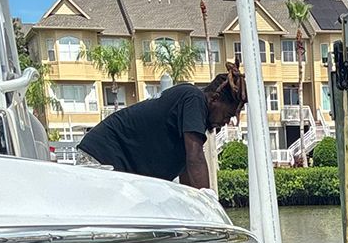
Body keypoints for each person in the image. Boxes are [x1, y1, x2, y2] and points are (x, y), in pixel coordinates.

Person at [75, 62, 247, 187]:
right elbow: (195, 157)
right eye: (228, 115)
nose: (226, 123)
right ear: (215, 100)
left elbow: (188, 171)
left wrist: (198, 201)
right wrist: (210, 203)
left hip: (119, 169)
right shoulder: (193, 98)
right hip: (101, 158)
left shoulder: (190, 124)